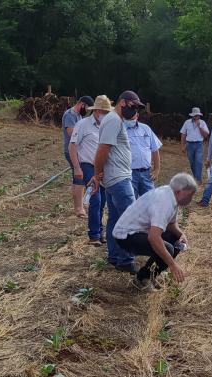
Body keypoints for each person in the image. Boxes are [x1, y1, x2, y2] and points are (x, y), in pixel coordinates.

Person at [90, 90, 144, 274]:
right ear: (123, 103)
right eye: (133, 106)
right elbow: (102, 150)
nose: (135, 110)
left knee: (114, 219)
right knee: (131, 217)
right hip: (119, 179)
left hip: (114, 178)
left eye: (137, 108)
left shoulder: (113, 120)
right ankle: (126, 260)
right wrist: (97, 175)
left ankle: (114, 256)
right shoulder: (113, 120)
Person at [113, 173, 197, 290]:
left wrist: (181, 234)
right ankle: (142, 279)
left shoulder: (171, 194)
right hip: (126, 235)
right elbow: (153, 237)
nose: (190, 199)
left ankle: (148, 275)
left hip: (140, 231)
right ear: (179, 191)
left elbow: (171, 223)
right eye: (189, 195)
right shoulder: (165, 201)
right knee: (168, 249)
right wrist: (172, 265)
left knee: (176, 241)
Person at [69, 95, 112, 245]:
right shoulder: (82, 125)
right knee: (96, 198)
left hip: (103, 167)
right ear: (97, 111)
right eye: (105, 112)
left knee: (103, 200)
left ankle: (100, 231)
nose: (107, 115)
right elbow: (72, 146)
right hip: (88, 166)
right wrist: (77, 168)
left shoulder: (108, 126)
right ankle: (94, 235)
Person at [63, 96, 95, 216]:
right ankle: (79, 209)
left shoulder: (79, 116)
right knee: (79, 177)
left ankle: (83, 205)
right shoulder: (70, 115)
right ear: (82, 104)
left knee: (81, 178)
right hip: (71, 151)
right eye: (87, 108)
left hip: (79, 151)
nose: (87, 111)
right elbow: (71, 133)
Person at [125, 109, 162, 197]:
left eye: (132, 118)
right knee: (132, 203)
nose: (130, 121)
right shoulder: (121, 130)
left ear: (137, 116)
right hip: (130, 174)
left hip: (147, 173)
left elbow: (155, 149)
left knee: (150, 202)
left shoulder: (146, 129)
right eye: (128, 119)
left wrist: (157, 169)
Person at [180, 107, 209, 182]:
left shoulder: (202, 123)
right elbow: (183, 134)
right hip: (189, 145)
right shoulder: (187, 122)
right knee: (192, 162)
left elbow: (205, 135)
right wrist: (182, 146)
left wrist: (200, 127)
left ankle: (198, 180)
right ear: (192, 115)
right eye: (195, 115)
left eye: (198, 115)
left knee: (198, 162)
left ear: (199, 116)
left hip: (199, 144)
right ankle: (195, 177)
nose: (197, 117)